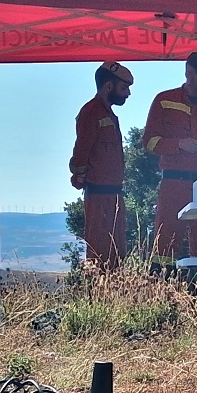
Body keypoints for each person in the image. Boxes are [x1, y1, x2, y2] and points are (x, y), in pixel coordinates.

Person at [142, 52, 197, 271]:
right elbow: (149, 142)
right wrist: (179, 144)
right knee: (166, 239)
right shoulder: (165, 101)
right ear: (189, 74)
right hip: (174, 183)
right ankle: (162, 288)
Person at [69, 61, 133, 270]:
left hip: (114, 195)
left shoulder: (108, 114)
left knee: (117, 252)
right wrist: (79, 176)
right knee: (99, 253)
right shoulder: (91, 112)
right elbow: (81, 152)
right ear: (108, 87)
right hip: (98, 196)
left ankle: (115, 294)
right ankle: (99, 293)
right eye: (124, 88)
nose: (127, 94)